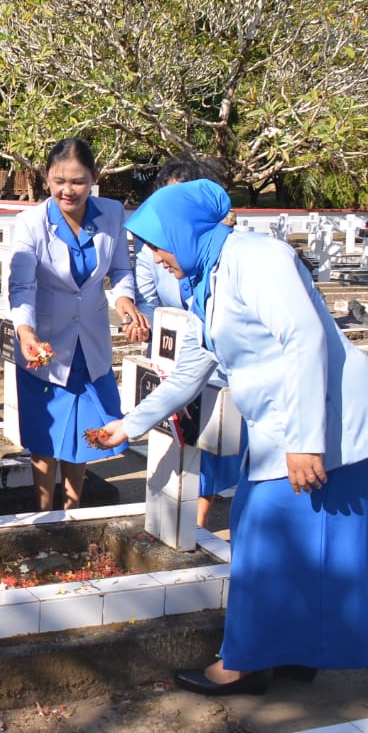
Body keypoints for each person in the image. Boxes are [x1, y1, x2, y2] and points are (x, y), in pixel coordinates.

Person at [95, 179, 368, 695]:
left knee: (269, 540)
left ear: (185, 230)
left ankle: (244, 663)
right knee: (286, 543)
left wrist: (305, 441)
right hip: (289, 424)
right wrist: (129, 425)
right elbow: (193, 367)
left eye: (158, 244)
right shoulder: (207, 280)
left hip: (328, 424)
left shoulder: (257, 258)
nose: (155, 258)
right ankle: (294, 652)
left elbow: (304, 337)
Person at [7, 138, 146, 511]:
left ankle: (72, 511)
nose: (67, 190)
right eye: (59, 181)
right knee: (45, 435)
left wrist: (124, 299)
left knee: (85, 432)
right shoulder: (31, 223)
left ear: (94, 178)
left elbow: (121, 269)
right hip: (45, 344)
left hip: (90, 342)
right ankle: (43, 512)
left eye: (78, 181)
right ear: (46, 178)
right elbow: (22, 285)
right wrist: (25, 331)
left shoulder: (112, 213)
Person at [133, 156, 241, 529]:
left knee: (211, 444)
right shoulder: (168, 261)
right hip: (173, 350)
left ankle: (197, 524)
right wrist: (128, 426)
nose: (157, 254)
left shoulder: (243, 260)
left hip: (228, 371)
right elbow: (149, 299)